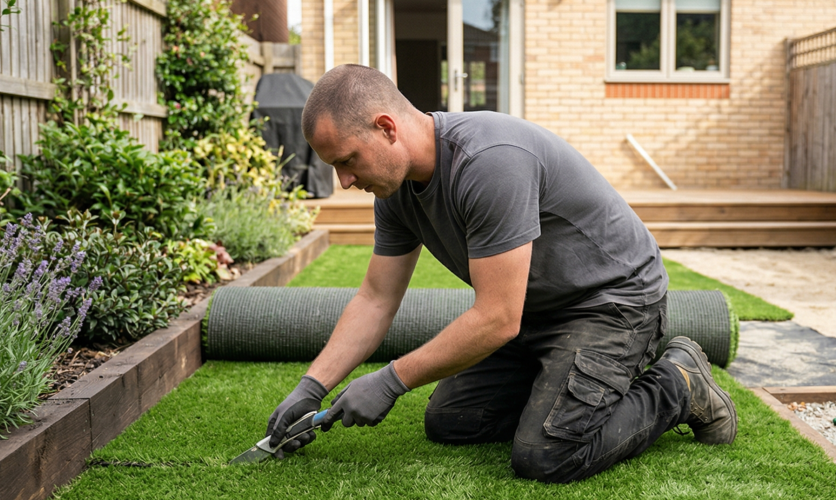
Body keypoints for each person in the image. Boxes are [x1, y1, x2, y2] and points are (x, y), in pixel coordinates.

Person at [266, 64, 737, 483]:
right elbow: (376, 299)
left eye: (347, 161)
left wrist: (391, 380)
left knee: (547, 455)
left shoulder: (488, 161)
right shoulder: (395, 191)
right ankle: (561, 386)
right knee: (451, 421)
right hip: (537, 314)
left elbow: (497, 318)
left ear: (386, 128)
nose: (345, 182)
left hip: (613, 305)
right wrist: (312, 387)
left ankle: (680, 381)